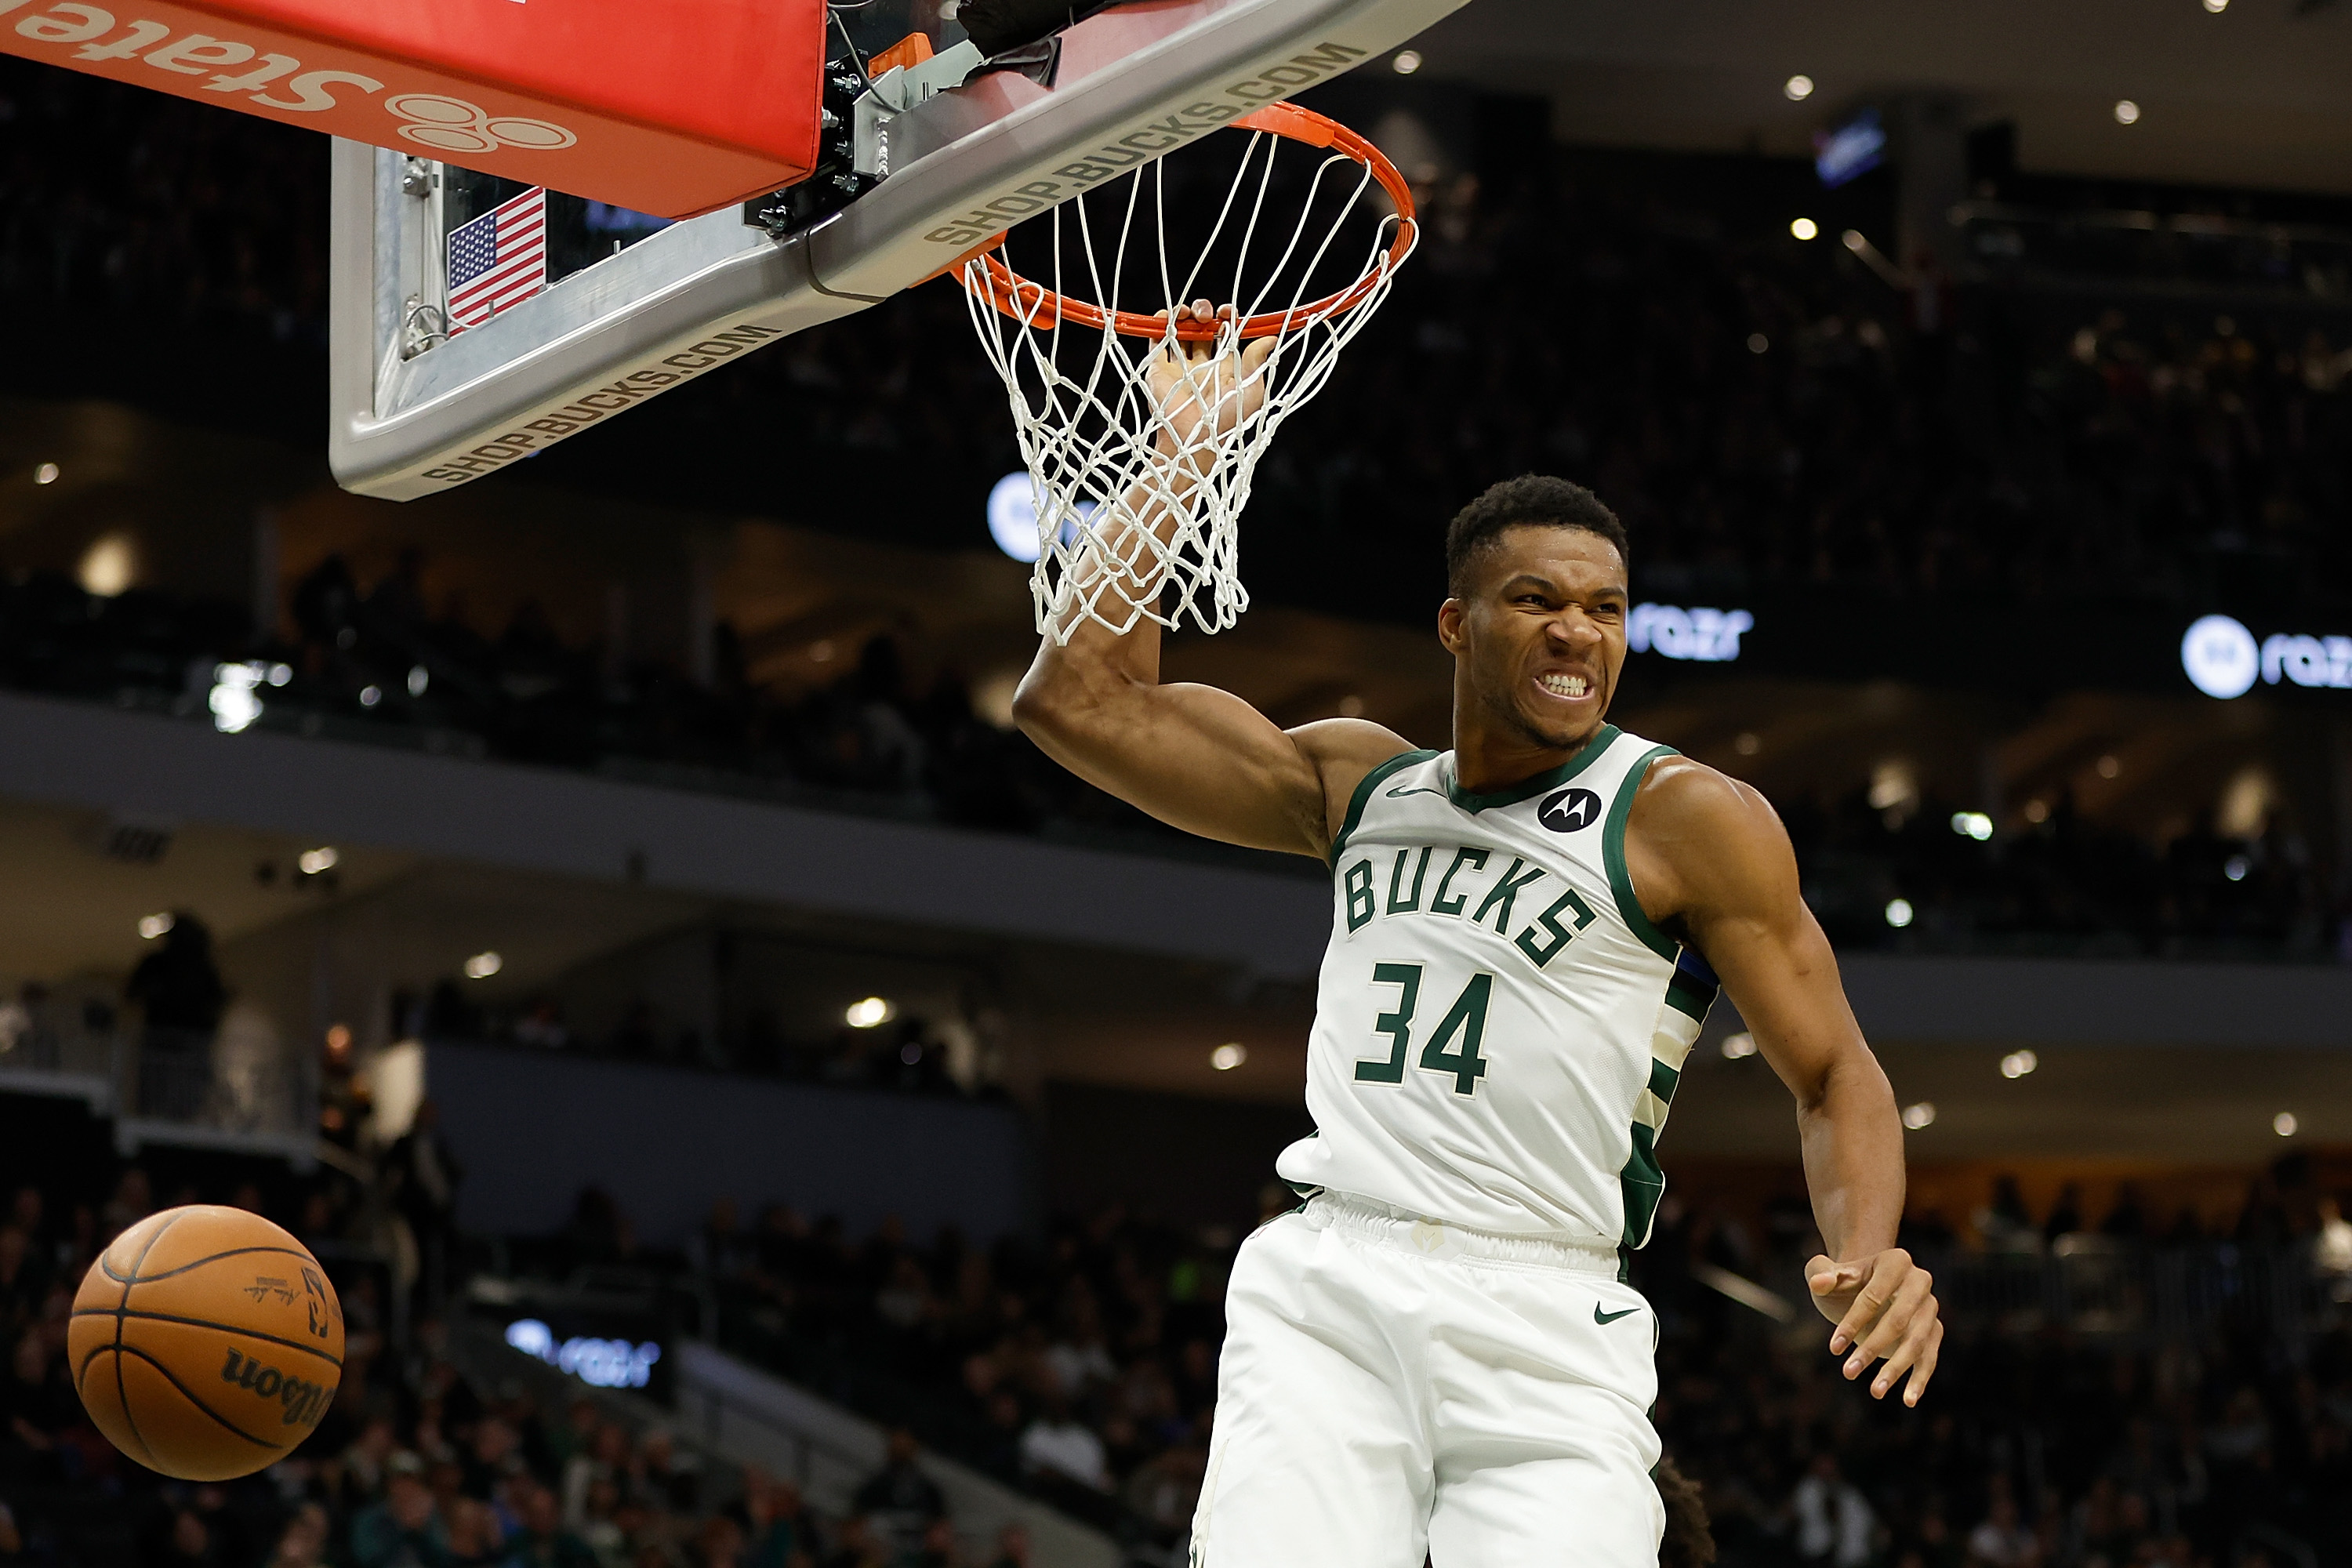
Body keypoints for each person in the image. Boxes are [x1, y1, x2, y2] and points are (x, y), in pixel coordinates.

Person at [1011, 310, 1941, 1567]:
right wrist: (1181, 455)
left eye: (1606, 608)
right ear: (1456, 626)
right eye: (1536, 600)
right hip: (1334, 1279)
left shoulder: (1684, 817)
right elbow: (1077, 701)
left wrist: (1868, 1251)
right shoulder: (1356, 786)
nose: (1577, 632)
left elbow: (1835, 1072)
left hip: (1550, 1305)